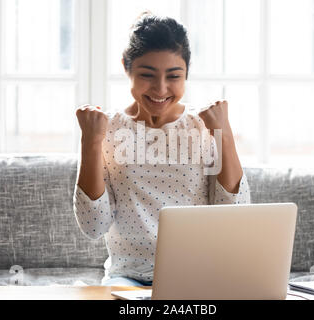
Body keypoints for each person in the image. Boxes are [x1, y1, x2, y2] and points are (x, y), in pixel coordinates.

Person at [73, 13, 250, 287]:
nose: (161, 88)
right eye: (147, 75)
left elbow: (235, 215)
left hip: (198, 276)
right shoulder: (105, 129)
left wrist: (224, 134)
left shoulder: (204, 126)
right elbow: (93, 226)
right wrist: (90, 142)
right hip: (127, 278)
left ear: (186, 74)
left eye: (174, 76)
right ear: (126, 68)